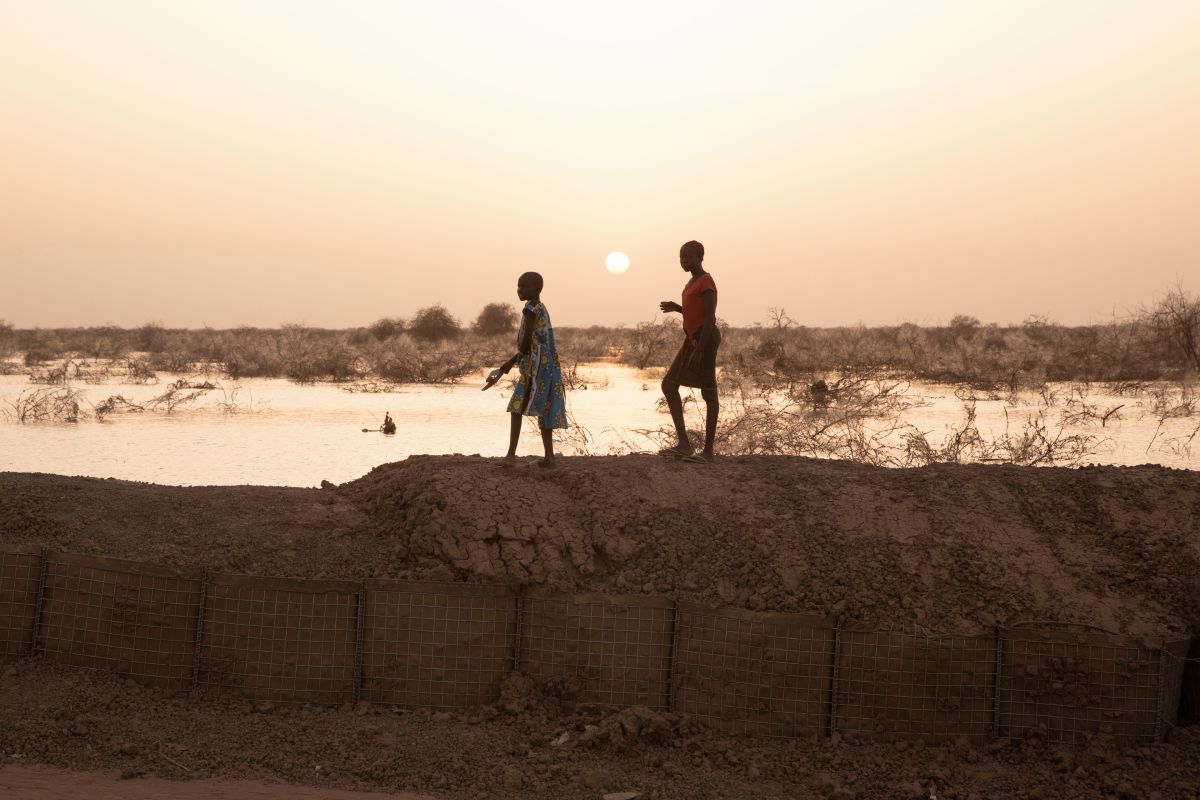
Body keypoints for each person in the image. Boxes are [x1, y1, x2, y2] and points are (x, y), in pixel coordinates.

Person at [483, 271, 568, 467]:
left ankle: (510, 456)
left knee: (516, 406)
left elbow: (526, 342)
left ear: (536, 289)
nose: (519, 290)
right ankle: (549, 458)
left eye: (523, 286)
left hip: (535, 367)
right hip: (547, 366)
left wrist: (509, 363)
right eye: (518, 286)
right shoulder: (542, 308)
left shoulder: (530, 308)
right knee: (545, 409)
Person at [658, 240, 719, 463]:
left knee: (709, 392)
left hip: (706, 339)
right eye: (681, 257)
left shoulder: (706, 281)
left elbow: (710, 318)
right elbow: (695, 312)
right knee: (669, 384)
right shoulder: (691, 282)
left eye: (688, 257)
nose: (684, 261)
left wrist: (700, 350)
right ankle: (684, 444)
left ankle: (708, 451)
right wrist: (678, 309)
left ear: (700, 257)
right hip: (692, 339)